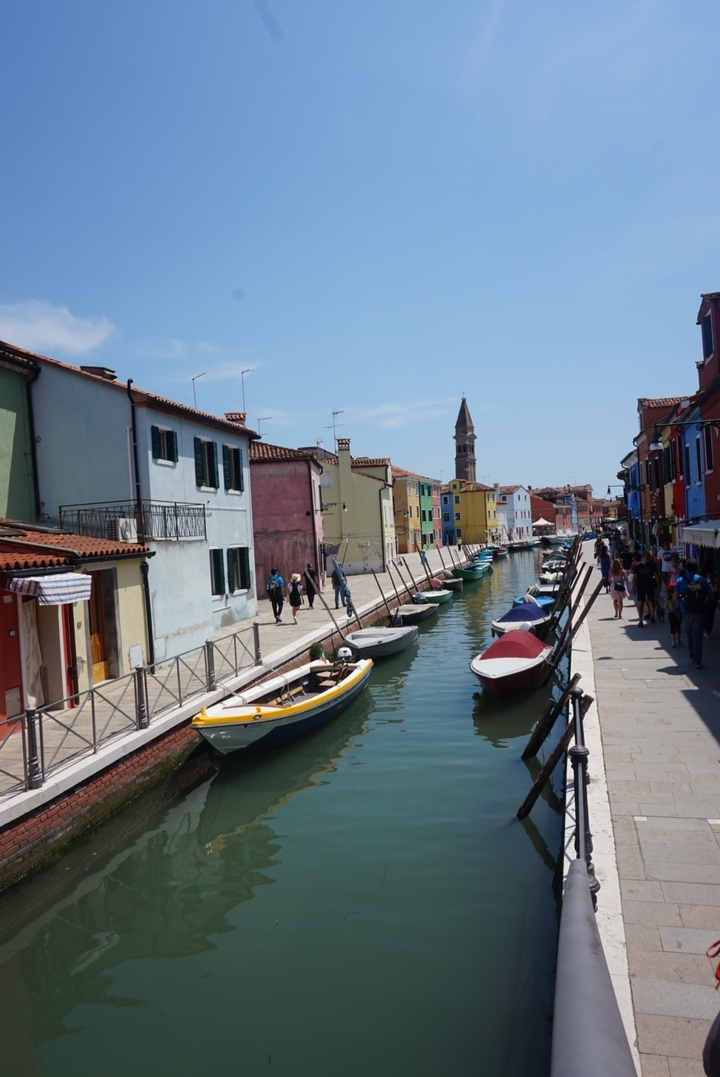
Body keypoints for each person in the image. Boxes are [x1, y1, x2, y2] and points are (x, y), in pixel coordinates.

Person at [674, 558, 711, 669]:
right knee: (698, 636)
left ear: (685, 568)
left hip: (686, 611)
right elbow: (711, 596)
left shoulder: (680, 580)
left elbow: (675, 597)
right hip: (700, 611)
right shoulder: (702, 580)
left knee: (690, 635)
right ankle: (697, 661)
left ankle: (692, 656)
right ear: (697, 568)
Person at [633, 551, 660, 627]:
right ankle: (640, 619)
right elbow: (635, 577)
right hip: (640, 586)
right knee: (640, 602)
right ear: (643, 557)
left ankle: (651, 616)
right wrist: (633, 588)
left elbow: (656, 575)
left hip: (650, 585)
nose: (649, 558)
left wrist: (658, 585)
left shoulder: (651, 565)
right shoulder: (637, 566)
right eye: (647, 557)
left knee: (651, 601)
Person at [665, 582, 682, 648]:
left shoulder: (667, 598)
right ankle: (678, 640)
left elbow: (665, 606)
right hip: (678, 613)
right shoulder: (679, 597)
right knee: (678, 626)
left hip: (671, 614)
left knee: (672, 627)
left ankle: (673, 642)